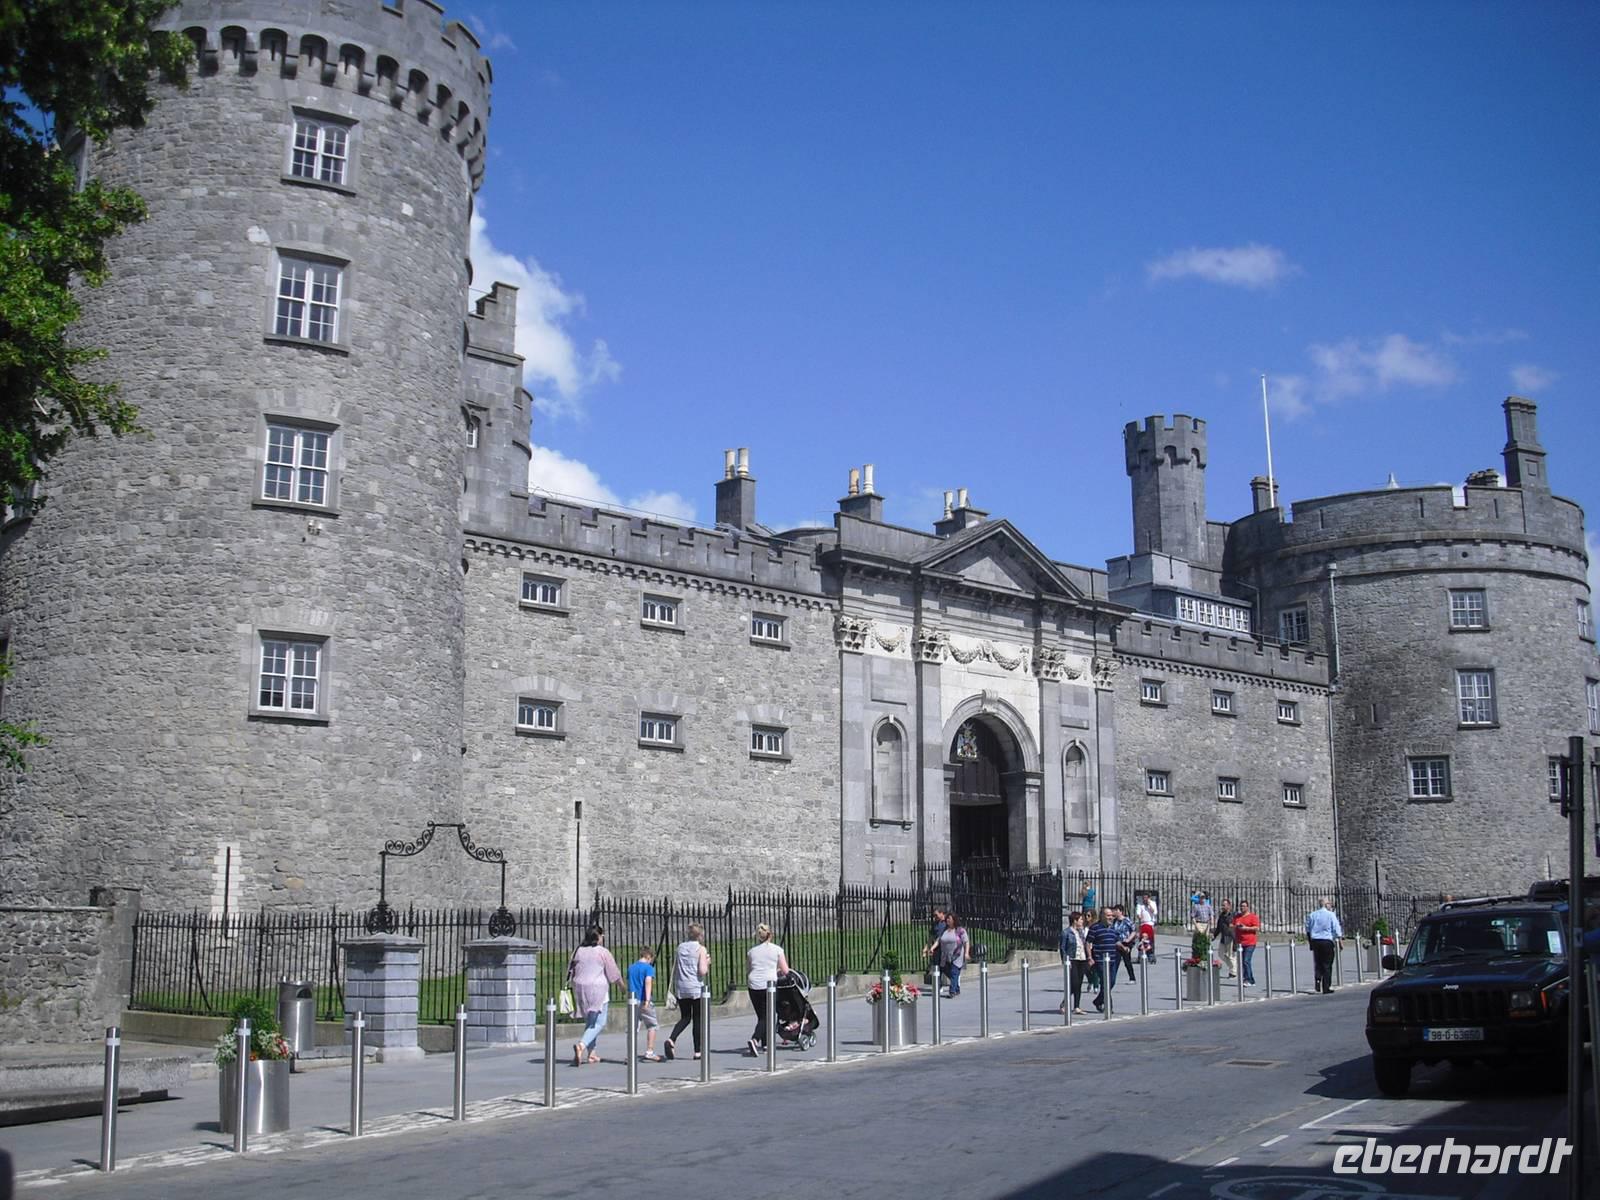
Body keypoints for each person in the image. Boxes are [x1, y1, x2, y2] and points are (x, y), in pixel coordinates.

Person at [568, 924, 622, 1066]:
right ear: (598, 937)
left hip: (580, 988)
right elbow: (614, 973)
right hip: (598, 989)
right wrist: (623, 987)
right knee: (600, 1022)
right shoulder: (602, 952)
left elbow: (571, 969)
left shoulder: (578, 951)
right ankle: (581, 1045)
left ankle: (592, 1053)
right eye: (602, 935)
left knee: (590, 1021)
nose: (603, 938)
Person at [664, 923, 711, 1061]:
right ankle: (697, 1051)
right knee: (697, 1019)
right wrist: (707, 962)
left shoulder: (680, 947)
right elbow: (702, 971)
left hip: (682, 986)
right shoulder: (701, 949)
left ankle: (672, 1038)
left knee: (685, 1017)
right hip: (695, 987)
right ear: (700, 935)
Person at [746, 922, 790, 1055]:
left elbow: (749, 969)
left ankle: (765, 1044)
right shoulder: (777, 950)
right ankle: (755, 1039)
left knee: (762, 1016)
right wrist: (776, 970)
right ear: (770, 935)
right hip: (768, 985)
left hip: (753, 985)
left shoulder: (751, 951)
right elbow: (785, 970)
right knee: (768, 1016)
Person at [627, 947, 661, 1061]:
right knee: (652, 1025)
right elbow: (648, 982)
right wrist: (647, 999)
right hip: (643, 999)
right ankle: (649, 1051)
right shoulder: (648, 968)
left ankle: (631, 1053)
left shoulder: (631, 967)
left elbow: (630, 983)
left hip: (632, 1000)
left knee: (633, 1027)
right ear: (648, 957)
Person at [1305, 897, 1344, 993]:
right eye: (1329, 903)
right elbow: (1336, 928)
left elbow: (1308, 929)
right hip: (1327, 941)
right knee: (1327, 964)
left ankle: (1318, 981)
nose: (1330, 905)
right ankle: (1326, 986)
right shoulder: (1330, 915)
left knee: (1318, 962)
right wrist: (1340, 941)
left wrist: (1310, 942)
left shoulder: (1312, 915)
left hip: (1316, 941)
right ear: (1326, 904)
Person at [1087, 907, 1123, 1011]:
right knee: (1105, 982)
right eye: (1108, 915)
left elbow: (1116, 941)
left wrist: (1124, 947)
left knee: (1112, 982)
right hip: (1100, 960)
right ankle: (1108, 1006)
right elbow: (1088, 943)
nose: (1111, 917)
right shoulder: (1095, 928)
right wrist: (1090, 957)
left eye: (1112, 915)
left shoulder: (1112, 928)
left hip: (1112, 960)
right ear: (1102, 916)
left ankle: (1098, 1000)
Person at [1058, 910, 1091, 1015]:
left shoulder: (1081, 932)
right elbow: (1063, 948)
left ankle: (1077, 1006)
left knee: (1079, 983)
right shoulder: (1066, 932)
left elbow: (1084, 944)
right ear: (1075, 920)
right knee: (1074, 983)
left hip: (1082, 959)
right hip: (1072, 959)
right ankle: (1064, 1003)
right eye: (1080, 919)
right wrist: (1065, 961)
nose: (1082, 921)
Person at [937, 912, 968, 997]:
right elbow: (938, 940)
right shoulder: (944, 930)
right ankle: (956, 988)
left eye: (949, 918)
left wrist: (966, 953)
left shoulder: (960, 930)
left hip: (957, 955)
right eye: (947, 918)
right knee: (947, 971)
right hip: (946, 956)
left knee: (954, 972)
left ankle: (952, 991)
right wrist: (932, 948)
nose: (947, 920)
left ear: (954, 920)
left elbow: (966, 942)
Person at [1234, 901, 1261, 986]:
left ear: (1247, 907)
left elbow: (1256, 927)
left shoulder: (1252, 917)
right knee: (1243, 962)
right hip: (1240, 942)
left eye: (1244, 906)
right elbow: (1232, 925)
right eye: (1241, 906)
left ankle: (1247, 979)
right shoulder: (1237, 917)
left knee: (1246, 960)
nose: (1242, 908)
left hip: (1250, 942)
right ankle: (1251, 980)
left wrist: (1246, 928)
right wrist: (1236, 926)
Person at [921, 906, 948, 983]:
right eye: (934, 915)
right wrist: (926, 947)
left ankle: (954, 979)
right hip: (937, 948)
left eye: (936, 915)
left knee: (945, 966)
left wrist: (932, 947)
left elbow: (941, 937)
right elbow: (931, 937)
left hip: (945, 947)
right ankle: (938, 984)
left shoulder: (947, 922)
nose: (935, 917)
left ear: (941, 913)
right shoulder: (935, 924)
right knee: (937, 966)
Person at [1113, 904, 1138, 982]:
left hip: (1126, 943)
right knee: (1115, 961)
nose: (1115, 912)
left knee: (1127, 961)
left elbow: (1134, 930)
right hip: (1117, 943)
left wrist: (1128, 939)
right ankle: (1112, 978)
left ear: (1121, 912)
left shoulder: (1127, 920)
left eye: (1116, 910)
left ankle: (1132, 978)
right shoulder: (1114, 921)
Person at [1214, 899, 1237, 977]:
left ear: (1229, 906)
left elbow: (1236, 925)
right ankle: (1232, 967)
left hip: (1231, 937)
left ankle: (1233, 972)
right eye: (1222, 905)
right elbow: (1218, 927)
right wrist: (1214, 936)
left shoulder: (1233, 915)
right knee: (1221, 954)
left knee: (1231, 955)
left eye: (1224, 905)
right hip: (1223, 937)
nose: (1222, 907)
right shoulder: (1221, 916)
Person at [1135, 892, 1158, 958]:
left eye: (1146, 898)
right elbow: (1138, 913)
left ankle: (1151, 954)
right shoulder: (1140, 904)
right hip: (1143, 923)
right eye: (1143, 898)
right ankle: (1141, 954)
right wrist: (1139, 916)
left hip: (1150, 923)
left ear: (1149, 898)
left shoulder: (1153, 903)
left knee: (1150, 939)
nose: (1144, 899)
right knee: (1142, 939)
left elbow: (1154, 912)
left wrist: (1149, 905)